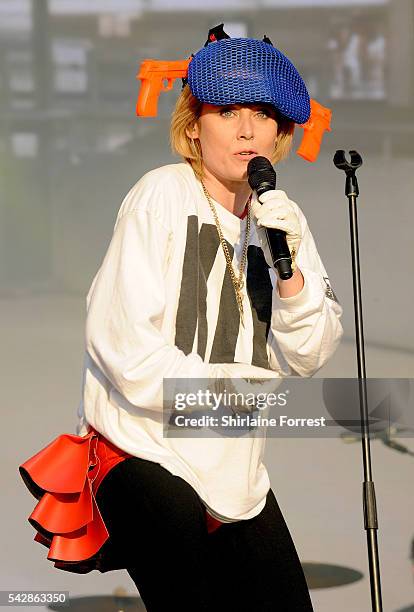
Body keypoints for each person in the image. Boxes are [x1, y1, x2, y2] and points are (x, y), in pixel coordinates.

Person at [20, 27, 343, 612]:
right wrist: (230, 397)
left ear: (283, 132)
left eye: (263, 113)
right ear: (194, 125)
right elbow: (123, 347)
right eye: (227, 110)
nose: (248, 129)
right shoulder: (160, 196)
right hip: (147, 454)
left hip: (236, 472)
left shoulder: (281, 218)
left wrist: (290, 274)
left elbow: (310, 353)